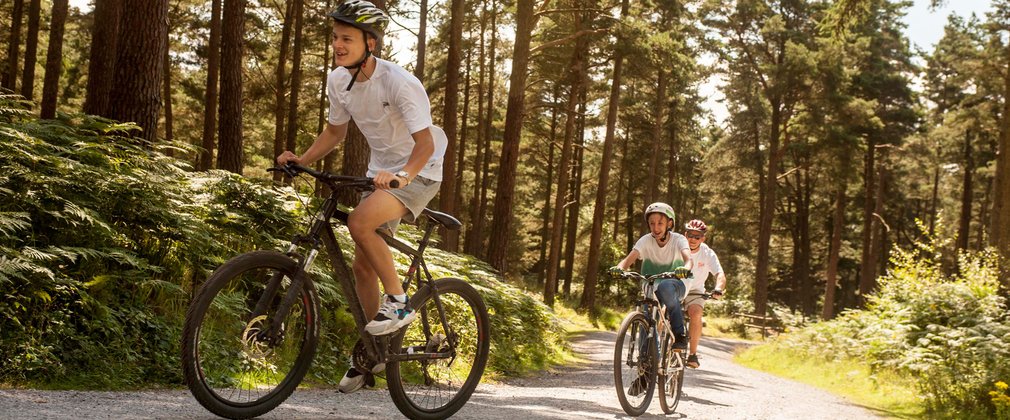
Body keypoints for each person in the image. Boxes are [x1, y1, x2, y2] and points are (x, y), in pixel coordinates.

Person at [276, 0, 447, 394]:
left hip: (421, 170)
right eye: (335, 37)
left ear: (370, 43)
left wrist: (404, 175)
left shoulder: (399, 82)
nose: (337, 45)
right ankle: (377, 351)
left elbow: (423, 144)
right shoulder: (339, 80)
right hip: (380, 171)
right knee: (362, 268)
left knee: (359, 222)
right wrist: (299, 160)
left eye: (346, 39)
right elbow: (335, 132)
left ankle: (400, 301)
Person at [609, 202, 694, 396]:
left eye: (660, 223)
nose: (655, 228)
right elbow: (630, 258)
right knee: (644, 321)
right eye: (652, 223)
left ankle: (680, 335)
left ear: (669, 224)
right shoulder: (645, 240)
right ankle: (647, 371)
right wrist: (620, 268)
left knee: (665, 287)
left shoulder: (679, 239)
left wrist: (685, 267)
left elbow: (688, 259)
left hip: (676, 283)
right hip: (650, 283)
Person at [682, 219, 727, 369]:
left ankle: (692, 354)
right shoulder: (677, 246)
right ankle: (655, 351)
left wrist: (718, 288)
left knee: (696, 312)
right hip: (675, 287)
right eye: (690, 235)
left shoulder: (707, 253)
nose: (693, 239)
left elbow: (720, 274)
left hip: (694, 291)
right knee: (663, 311)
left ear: (703, 238)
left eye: (697, 236)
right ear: (685, 234)